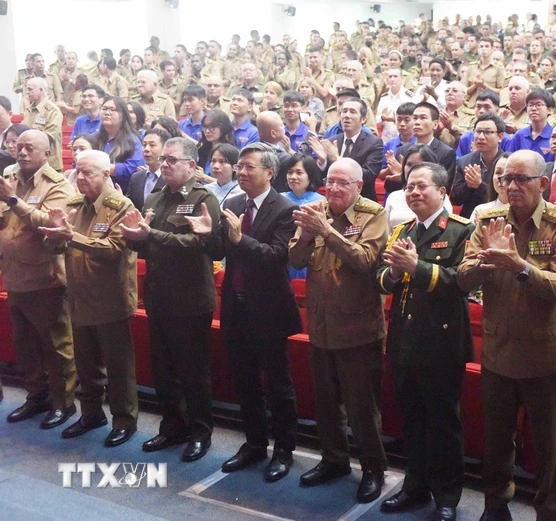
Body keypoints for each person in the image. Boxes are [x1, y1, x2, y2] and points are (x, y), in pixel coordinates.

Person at [458, 150, 556, 521]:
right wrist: (485, 261)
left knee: (550, 449)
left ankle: (550, 514)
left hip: (547, 358)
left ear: (543, 184)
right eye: (505, 179)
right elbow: (462, 279)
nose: (511, 186)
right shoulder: (486, 219)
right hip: (499, 352)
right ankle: (495, 507)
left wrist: (520, 266)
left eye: (521, 179)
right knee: (496, 441)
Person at [188, 142, 303, 483]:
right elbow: (222, 250)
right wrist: (210, 235)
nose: (241, 172)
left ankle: (284, 450)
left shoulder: (285, 208)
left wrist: (239, 240)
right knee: (245, 381)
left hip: (269, 309)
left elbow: (275, 256)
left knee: (278, 384)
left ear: (270, 172)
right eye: (239, 167)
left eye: (248, 167)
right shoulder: (234, 202)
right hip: (236, 307)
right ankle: (254, 444)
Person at [376, 162, 475, 521]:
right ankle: (415, 486)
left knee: (443, 422)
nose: (414, 192)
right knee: (412, 418)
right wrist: (397, 271)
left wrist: (416, 268)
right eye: (409, 187)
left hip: (442, 341)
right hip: (404, 338)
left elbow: (461, 282)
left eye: (422, 187)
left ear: (443, 193)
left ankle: (447, 495)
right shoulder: (402, 229)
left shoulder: (462, 231)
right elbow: (382, 278)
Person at [289, 158, 389, 504]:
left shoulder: (373, 215)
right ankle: (334, 460)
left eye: (341, 183)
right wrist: (307, 233)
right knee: (327, 404)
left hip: (357, 329)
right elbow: (297, 259)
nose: (332, 189)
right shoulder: (317, 210)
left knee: (362, 408)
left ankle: (373, 468)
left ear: (359, 187)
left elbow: (364, 260)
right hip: (321, 325)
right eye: (329, 181)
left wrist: (326, 231)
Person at [120, 137, 221, 462]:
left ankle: (200, 432)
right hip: (159, 297)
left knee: (193, 372)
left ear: (191, 166)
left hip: (191, 300)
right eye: (162, 159)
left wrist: (153, 236)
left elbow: (198, 244)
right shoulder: (154, 198)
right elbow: (148, 247)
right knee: (163, 370)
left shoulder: (204, 199)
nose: (164, 164)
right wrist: (134, 239)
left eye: (172, 160)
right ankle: (172, 426)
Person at [38, 150, 139, 447]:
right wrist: (54, 236)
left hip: (110, 298)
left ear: (106, 174)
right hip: (79, 296)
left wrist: (71, 237)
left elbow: (113, 249)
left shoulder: (120, 206)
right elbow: (56, 248)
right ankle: (91, 413)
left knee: (118, 367)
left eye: (88, 173)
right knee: (86, 364)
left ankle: (125, 420)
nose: (80, 178)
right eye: (77, 172)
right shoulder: (73, 204)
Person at [1, 130, 77, 430]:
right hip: (15, 276)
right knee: (25, 344)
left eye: (29, 148)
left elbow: (50, 223)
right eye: (18, 147)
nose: (21, 153)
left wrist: (13, 200)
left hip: (45, 278)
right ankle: (36, 396)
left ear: (47, 153)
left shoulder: (56, 185)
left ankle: (63, 402)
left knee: (56, 345)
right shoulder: (10, 178)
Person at [309, 98, 384, 203]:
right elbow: (319, 180)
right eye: (344, 111)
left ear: (363, 119)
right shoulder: (331, 141)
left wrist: (338, 159)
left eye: (352, 112)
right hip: (334, 202)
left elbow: (368, 175)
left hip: (362, 203)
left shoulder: (374, 143)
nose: (347, 115)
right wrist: (322, 162)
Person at [385, 144, 454, 230]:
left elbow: (447, 230)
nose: (413, 169)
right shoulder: (393, 197)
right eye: (409, 164)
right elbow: (386, 232)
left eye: (419, 165)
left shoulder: (439, 196)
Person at [451, 113, 505, 218]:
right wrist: (468, 186)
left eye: (487, 132)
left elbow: (504, 197)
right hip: (469, 220)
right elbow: (455, 199)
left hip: (499, 216)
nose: (481, 137)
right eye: (478, 131)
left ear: (500, 136)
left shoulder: (507, 163)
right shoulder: (465, 161)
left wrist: (479, 186)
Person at [97, 97, 146, 188]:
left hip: (124, 191)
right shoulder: (95, 138)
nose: (107, 113)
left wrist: (98, 167)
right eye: (104, 109)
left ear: (123, 115)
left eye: (112, 110)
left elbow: (133, 168)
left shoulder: (132, 140)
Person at [22, 77, 64, 172]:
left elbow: (49, 137)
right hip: (30, 163)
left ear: (40, 90)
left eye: (30, 89)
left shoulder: (53, 111)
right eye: (26, 89)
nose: (27, 92)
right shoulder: (28, 110)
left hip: (49, 165)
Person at [507, 88, 556, 163]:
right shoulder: (520, 135)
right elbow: (510, 160)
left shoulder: (554, 136)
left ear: (550, 110)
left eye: (538, 105)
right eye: (530, 105)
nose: (533, 108)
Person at [127, 128, 170, 212]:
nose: (146, 149)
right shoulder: (136, 178)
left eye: (152, 145)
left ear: (165, 149)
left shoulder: (171, 178)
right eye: (144, 145)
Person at [470, 153, 510, 221]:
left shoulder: (526, 212)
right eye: (498, 172)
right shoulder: (480, 211)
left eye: (507, 173)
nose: (501, 178)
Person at [197, 109, 235, 175]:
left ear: (223, 128)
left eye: (212, 127)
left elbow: (232, 182)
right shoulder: (202, 151)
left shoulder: (231, 153)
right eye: (205, 127)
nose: (207, 131)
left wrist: (205, 178)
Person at [204, 143, 242, 207]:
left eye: (222, 162)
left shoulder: (242, 192)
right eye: (213, 161)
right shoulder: (206, 190)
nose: (216, 166)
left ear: (235, 167)